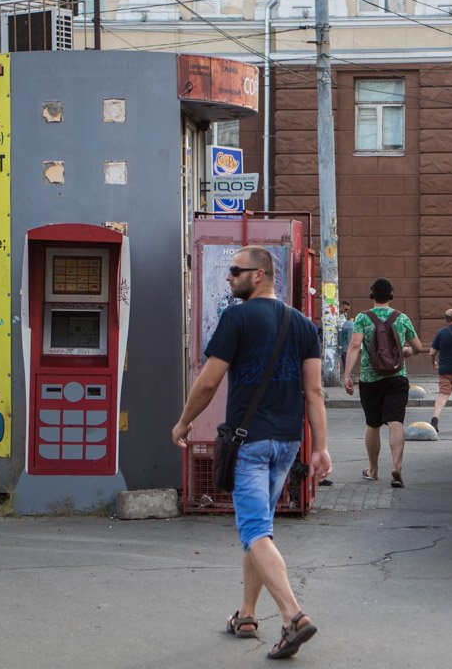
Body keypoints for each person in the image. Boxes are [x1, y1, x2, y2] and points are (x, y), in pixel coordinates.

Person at [172, 246, 330, 661]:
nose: (229, 277)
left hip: (250, 444)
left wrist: (184, 421)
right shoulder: (303, 325)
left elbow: (208, 382)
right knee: (260, 528)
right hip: (287, 443)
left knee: (255, 530)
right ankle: (246, 614)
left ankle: (293, 615)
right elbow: (314, 391)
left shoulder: (236, 318)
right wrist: (321, 448)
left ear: (259, 275)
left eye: (235, 270)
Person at [343, 277, 424, 489]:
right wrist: (408, 351)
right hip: (397, 377)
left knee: (373, 424)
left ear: (372, 294)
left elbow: (355, 345)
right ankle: (396, 466)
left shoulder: (363, 317)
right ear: (391, 295)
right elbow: (418, 347)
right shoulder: (401, 318)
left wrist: (347, 375)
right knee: (396, 421)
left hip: (370, 378)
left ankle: (373, 469)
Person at [337, 300, 354, 375]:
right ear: (340, 306)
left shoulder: (344, 314)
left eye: (348, 310)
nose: (346, 311)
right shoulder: (334, 314)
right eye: (346, 309)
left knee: (346, 357)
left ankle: (348, 375)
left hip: (344, 339)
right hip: (337, 339)